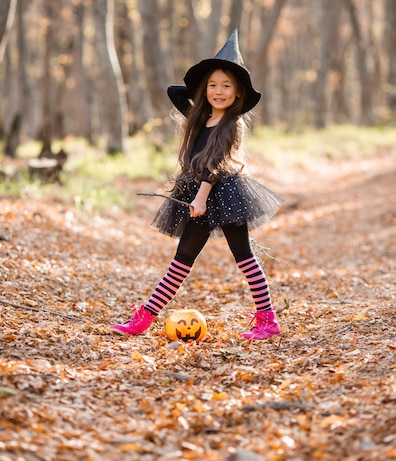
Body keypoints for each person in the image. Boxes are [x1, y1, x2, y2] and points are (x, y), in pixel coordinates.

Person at [112, 29, 283, 340]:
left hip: (223, 195)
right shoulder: (199, 118)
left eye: (226, 86)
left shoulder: (232, 124)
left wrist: (201, 198)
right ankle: (145, 317)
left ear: (239, 94)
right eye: (212, 85)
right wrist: (201, 90)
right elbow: (174, 92)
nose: (219, 91)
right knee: (182, 260)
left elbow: (215, 164)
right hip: (197, 194)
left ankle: (267, 320)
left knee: (244, 256)